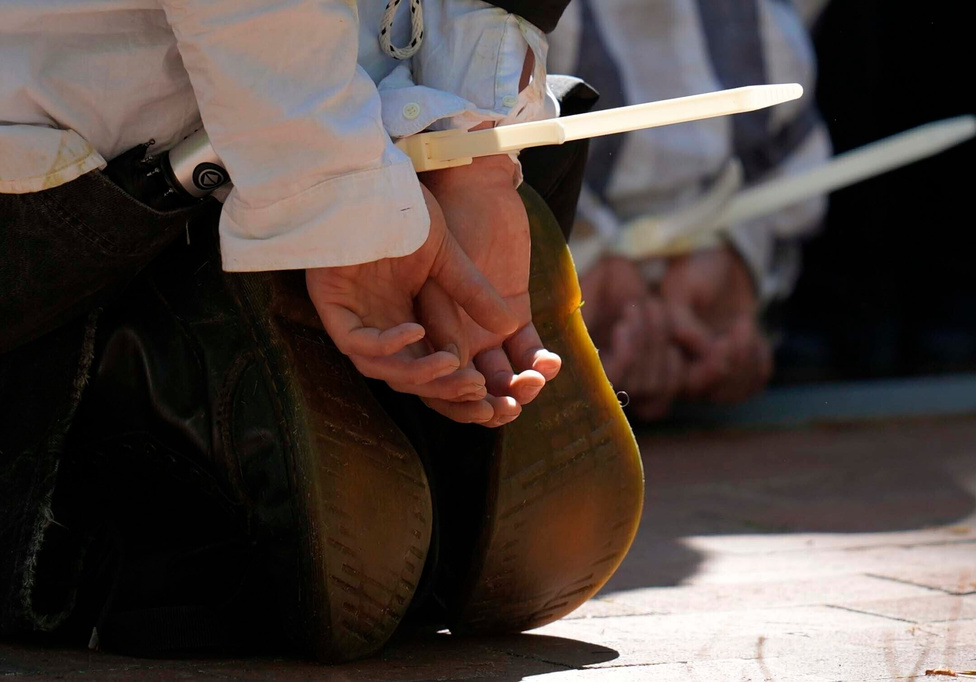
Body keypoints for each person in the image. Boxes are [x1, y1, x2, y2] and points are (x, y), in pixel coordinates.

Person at [1, 0, 642, 662]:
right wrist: (474, 148)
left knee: (177, 569)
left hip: (120, 158)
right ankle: (438, 487)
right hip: (377, 101)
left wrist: (345, 198)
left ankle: (207, 480)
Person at [547, 0, 833, 420]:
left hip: (707, 286)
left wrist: (739, 267)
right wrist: (570, 272)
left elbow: (785, 152)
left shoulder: (768, 28)